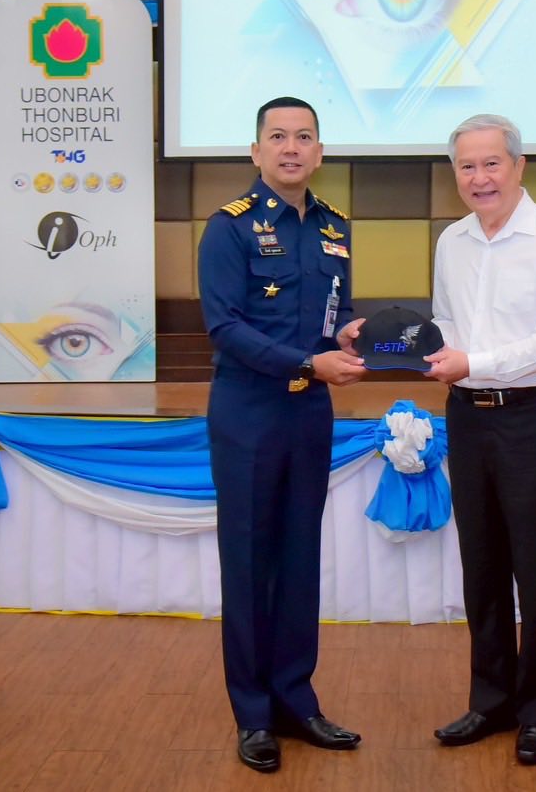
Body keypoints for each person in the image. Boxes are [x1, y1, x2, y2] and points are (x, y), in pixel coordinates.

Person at [198, 96, 368, 773]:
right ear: (256, 151)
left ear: (319, 152)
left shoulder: (334, 226)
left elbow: (335, 310)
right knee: (248, 563)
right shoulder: (229, 227)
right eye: (277, 136)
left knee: (299, 560)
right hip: (248, 413)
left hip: (308, 415)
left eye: (303, 137)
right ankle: (253, 715)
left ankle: (297, 701)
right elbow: (224, 327)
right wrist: (306, 363)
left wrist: (349, 333)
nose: (291, 147)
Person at [423, 113, 536, 767]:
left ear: (518, 166)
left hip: (534, 419)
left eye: (491, 163)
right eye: (466, 166)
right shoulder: (452, 241)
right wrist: (423, 351)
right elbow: (444, 321)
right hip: (467, 418)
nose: (479, 178)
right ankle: (490, 700)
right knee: (482, 565)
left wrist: (475, 363)